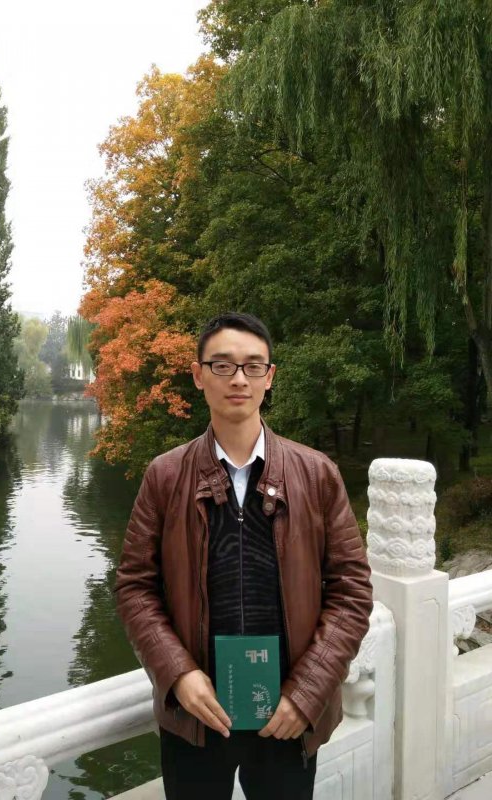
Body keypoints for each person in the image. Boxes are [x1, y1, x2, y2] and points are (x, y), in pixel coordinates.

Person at [114, 312, 373, 800]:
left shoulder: (316, 474)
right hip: (196, 712)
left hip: (287, 711)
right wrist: (178, 674)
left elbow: (351, 591)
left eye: (253, 366)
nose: (238, 379)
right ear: (198, 375)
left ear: (269, 377)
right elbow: (134, 586)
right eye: (222, 365)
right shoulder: (165, 476)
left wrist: (307, 693)